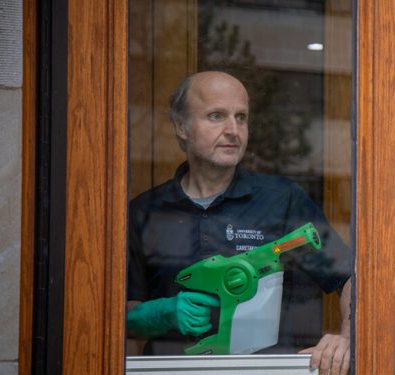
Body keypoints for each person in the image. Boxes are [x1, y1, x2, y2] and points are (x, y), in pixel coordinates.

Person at [126, 71, 353, 375]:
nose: (233, 130)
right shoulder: (145, 211)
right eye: (216, 116)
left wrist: (348, 338)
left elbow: (349, 277)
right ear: (182, 126)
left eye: (241, 117)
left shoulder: (283, 201)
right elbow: (115, 309)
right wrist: (159, 314)